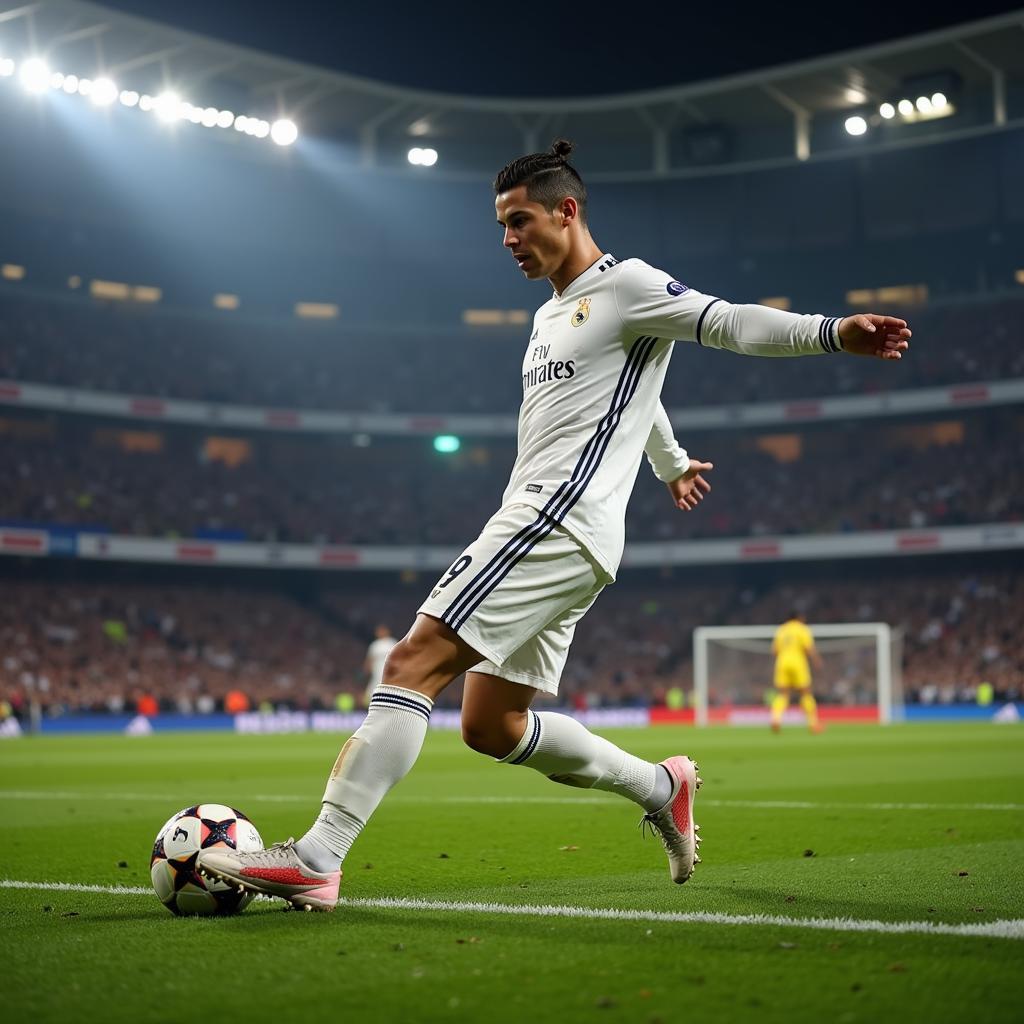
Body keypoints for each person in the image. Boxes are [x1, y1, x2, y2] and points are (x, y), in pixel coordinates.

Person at [198, 139, 911, 911]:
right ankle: (659, 784)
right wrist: (669, 463)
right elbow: (642, 385)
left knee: (410, 664)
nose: (508, 239)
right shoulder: (549, 318)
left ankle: (318, 856)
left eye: (519, 221)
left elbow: (729, 323)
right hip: (569, 532)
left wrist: (833, 331)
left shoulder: (629, 284)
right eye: (502, 226)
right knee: (491, 724)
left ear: (567, 212)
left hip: (553, 518)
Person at [770, 612, 825, 734]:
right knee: (805, 693)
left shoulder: (781, 629)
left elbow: (774, 651)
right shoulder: (802, 629)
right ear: (799, 618)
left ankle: (776, 719)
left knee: (783, 694)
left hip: (782, 662)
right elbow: (808, 648)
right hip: (798, 662)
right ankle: (813, 724)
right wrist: (817, 660)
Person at [362, 624, 398, 707]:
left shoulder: (392, 642)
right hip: (377, 673)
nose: (380, 633)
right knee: (372, 693)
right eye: (378, 631)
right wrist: (367, 670)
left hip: (389, 673)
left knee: (390, 692)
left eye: (382, 631)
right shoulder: (374, 645)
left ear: (387, 631)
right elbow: (369, 660)